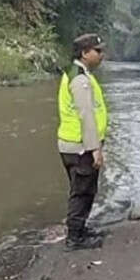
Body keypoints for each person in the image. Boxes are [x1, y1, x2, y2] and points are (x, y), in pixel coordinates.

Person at [57, 34, 108, 251]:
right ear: (85, 53)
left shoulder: (77, 73)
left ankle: (80, 229)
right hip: (80, 147)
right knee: (82, 192)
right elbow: (86, 114)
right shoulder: (80, 79)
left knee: (83, 189)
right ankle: (74, 238)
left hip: (72, 144)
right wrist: (95, 148)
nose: (102, 55)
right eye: (98, 51)